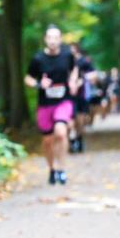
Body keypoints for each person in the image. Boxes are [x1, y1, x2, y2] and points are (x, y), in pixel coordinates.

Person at [24, 26, 79, 185]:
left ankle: (62, 169)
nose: (53, 41)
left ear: (60, 40)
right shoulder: (38, 59)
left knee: (61, 133)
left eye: (56, 38)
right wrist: (38, 84)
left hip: (63, 101)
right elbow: (28, 78)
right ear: (45, 40)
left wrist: (73, 81)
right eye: (50, 38)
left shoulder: (67, 55)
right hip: (45, 104)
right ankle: (52, 169)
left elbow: (74, 68)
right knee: (47, 140)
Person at [69, 43, 96, 154]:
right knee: (69, 121)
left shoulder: (83, 62)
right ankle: (72, 140)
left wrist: (82, 79)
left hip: (81, 96)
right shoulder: (63, 62)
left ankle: (79, 139)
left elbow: (93, 74)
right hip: (67, 96)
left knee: (80, 120)